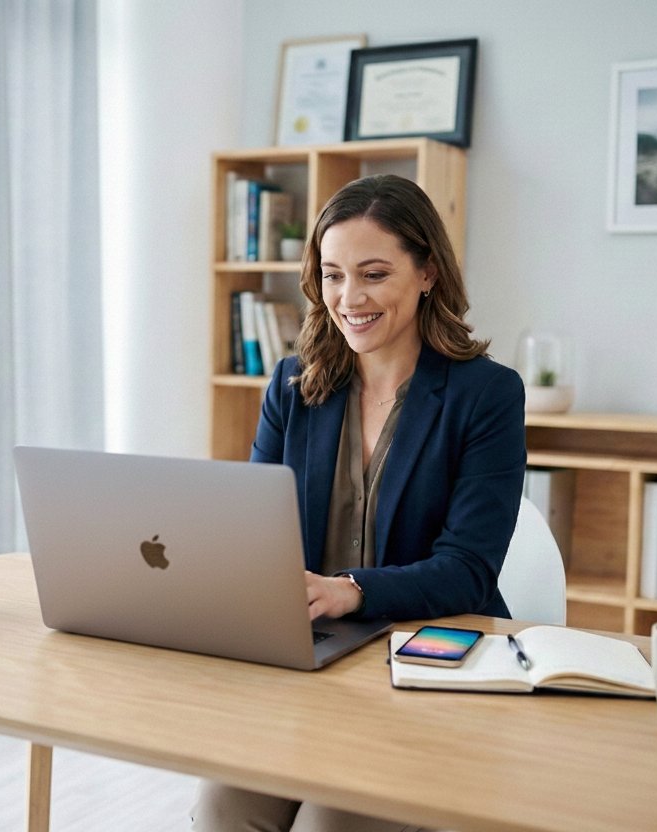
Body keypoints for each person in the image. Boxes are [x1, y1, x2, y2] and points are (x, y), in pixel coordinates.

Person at [191, 174, 526, 832]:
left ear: (427, 271)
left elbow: (468, 569)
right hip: (316, 664)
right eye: (334, 275)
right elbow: (262, 537)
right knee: (222, 806)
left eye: (373, 274)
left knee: (330, 823)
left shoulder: (486, 395)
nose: (350, 299)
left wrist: (351, 590)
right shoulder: (292, 385)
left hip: (427, 663)